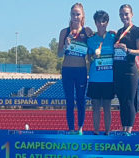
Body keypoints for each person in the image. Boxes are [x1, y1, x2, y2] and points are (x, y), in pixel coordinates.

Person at [57, 3, 93, 135]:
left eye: (78, 14)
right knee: (70, 100)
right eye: (73, 14)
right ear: (70, 15)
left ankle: (80, 128)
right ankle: (71, 129)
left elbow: (93, 49)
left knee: (81, 100)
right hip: (67, 70)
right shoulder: (64, 32)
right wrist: (66, 44)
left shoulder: (87, 32)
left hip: (81, 70)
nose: (75, 17)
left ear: (82, 15)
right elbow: (59, 54)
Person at [113, 4, 139, 135]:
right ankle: (123, 128)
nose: (124, 16)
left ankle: (129, 130)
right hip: (118, 69)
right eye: (121, 14)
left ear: (132, 14)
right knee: (121, 100)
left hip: (131, 70)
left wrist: (128, 50)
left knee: (130, 100)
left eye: (126, 14)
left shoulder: (137, 31)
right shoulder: (119, 32)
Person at [87, 10, 115, 135]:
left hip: (109, 79)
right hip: (95, 79)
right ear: (95, 23)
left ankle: (108, 132)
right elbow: (88, 58)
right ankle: (96, 132)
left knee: (108, 108)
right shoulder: (91, 40)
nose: (101, 24)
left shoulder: (113, 37)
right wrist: (93, 55)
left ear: (107, 23)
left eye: (103, 21)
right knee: (96, 108)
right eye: (98, 21)